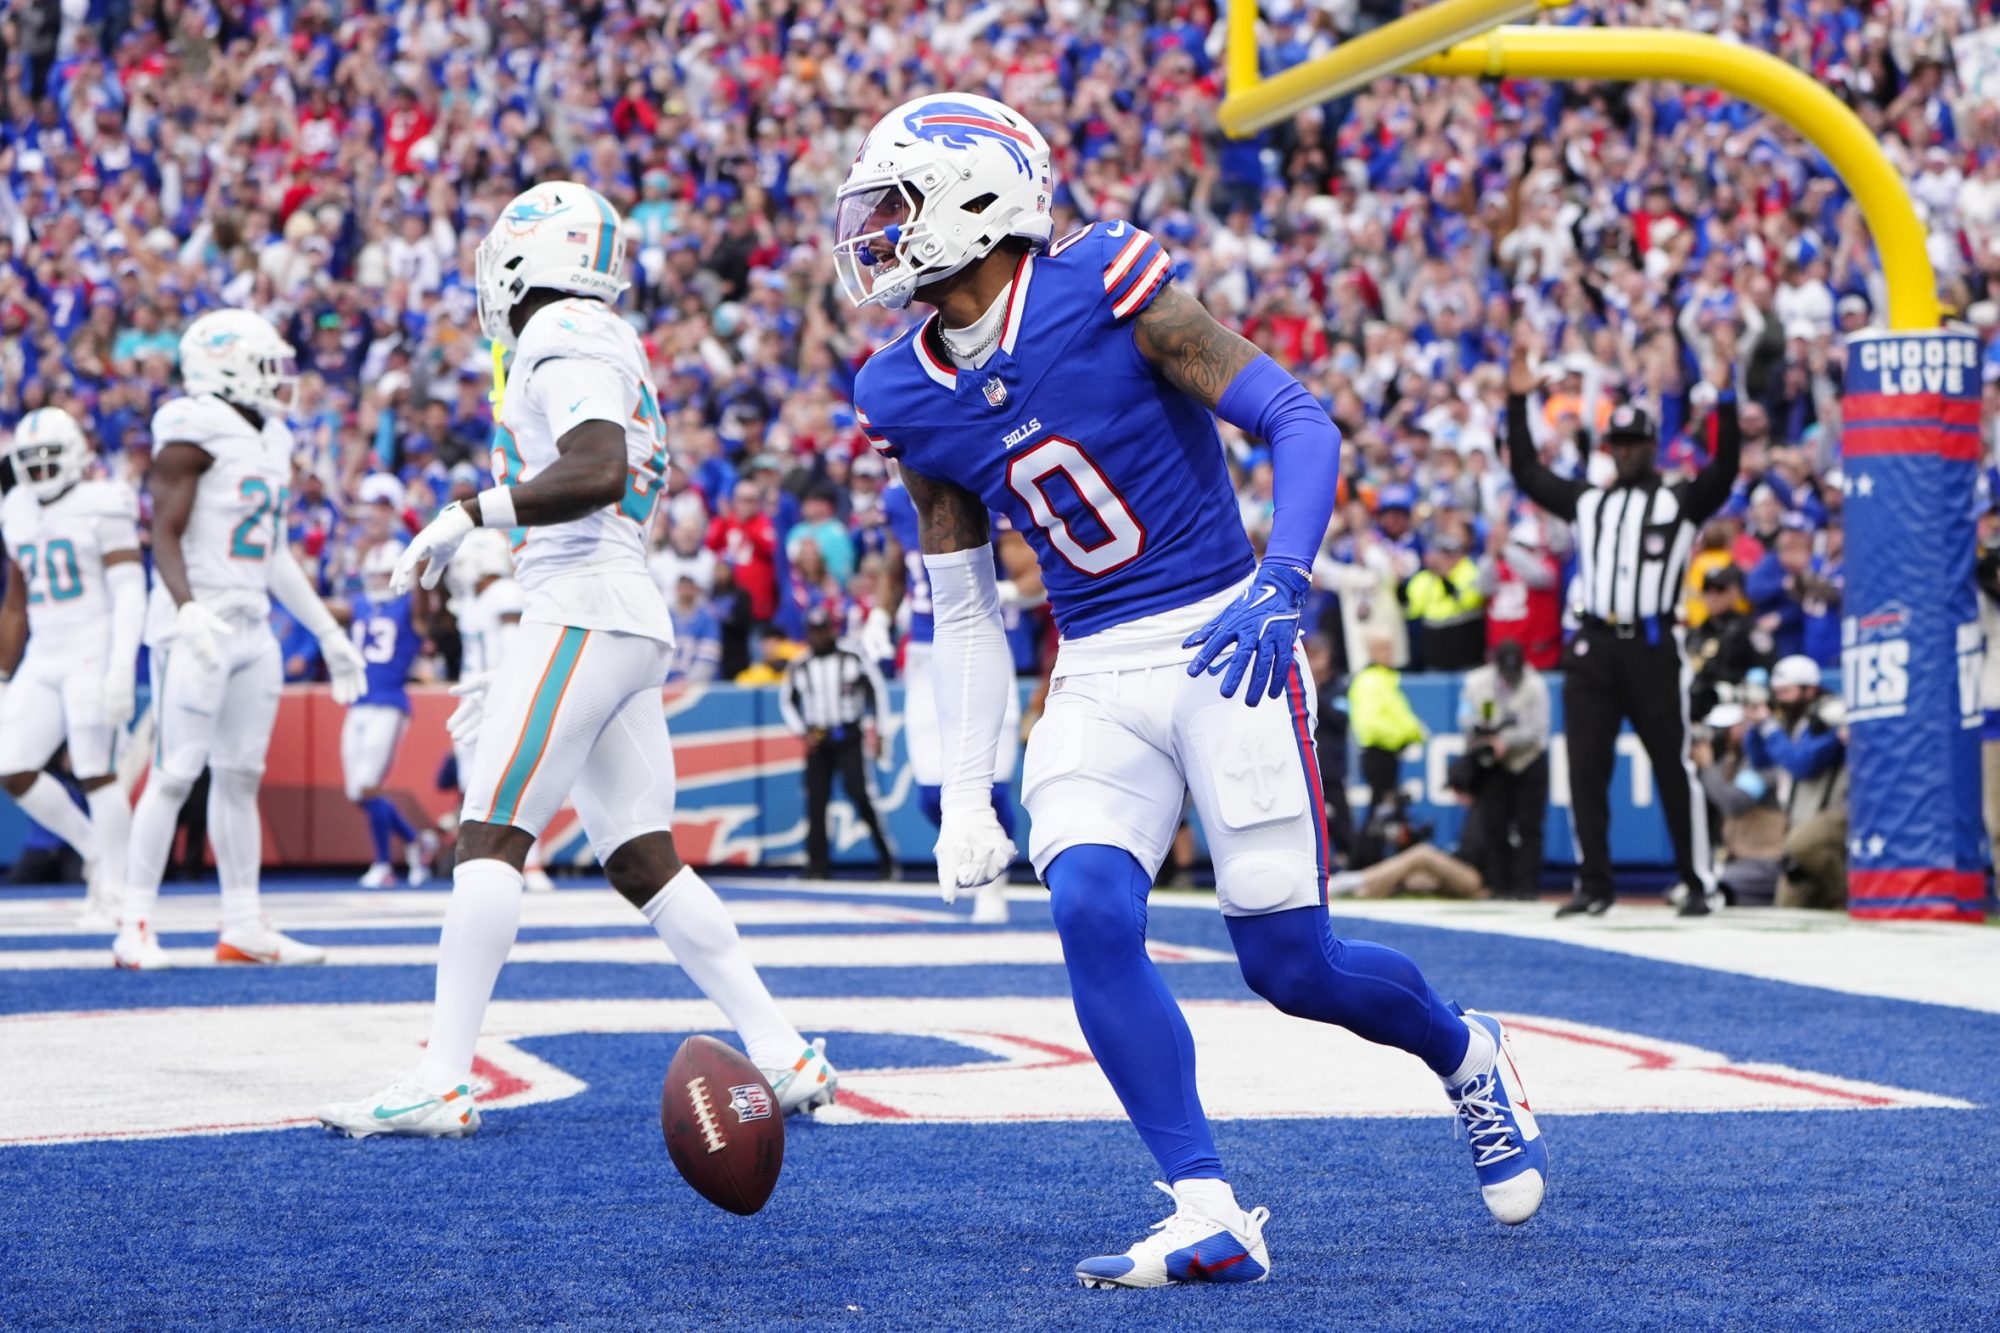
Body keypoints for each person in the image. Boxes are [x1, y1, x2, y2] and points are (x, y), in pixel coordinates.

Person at [839, 93, 1544, 1288]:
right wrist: (964, 788)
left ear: (976, 197)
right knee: (1091, 910)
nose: (872, 232)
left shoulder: (1105, 282)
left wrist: (1280, 579)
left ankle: (1464, 1055)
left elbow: (1294, 419)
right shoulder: (899, 391)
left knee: (1291, 968)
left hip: (1226, 633)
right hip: (1097, 664)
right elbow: (962, 605)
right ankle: (1205, 1202)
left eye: (897, 203)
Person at [319, 182, 833, 1138]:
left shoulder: (559, 335)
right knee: (643, 859)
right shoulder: (598, 335)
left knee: (490, 837)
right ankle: (782, 1049)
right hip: (612, 613)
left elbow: (594, 469)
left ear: (524, 256)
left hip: (586, 604)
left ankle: (439, 1075)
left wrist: (469, 512)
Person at [115, 310, 369, 970]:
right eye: (266, 362)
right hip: (195, 623)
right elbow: (163, 531)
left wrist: (326, 629)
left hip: (254, 625)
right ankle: (133, 922)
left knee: (240, 777)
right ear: (225, 364)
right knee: (174, 773)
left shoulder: (275, 436)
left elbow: (275, 552)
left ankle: (243, 924)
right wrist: (187, 607)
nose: (279, 377)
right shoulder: (192, 423)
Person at [1502, 330, 1739, 919]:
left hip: (1654, 644)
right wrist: (1516, 401)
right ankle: (1595, 883)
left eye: (1636, 442)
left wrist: (1727, 401)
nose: (1627, 451)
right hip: (1594, 646)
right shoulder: (1590, 502)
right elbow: (1528, 473)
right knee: (1586, 767)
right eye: (1619, 442)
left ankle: (1696, 880)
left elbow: (1727, 470)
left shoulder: (1679, 501)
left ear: (1653, 447)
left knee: (1672, 765)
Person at [0, 408, 144, 930]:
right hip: (45, 647)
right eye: (29, 463)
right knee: (11, 765)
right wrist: (3, 672)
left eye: (48, 461)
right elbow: (16, 600)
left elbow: (130, 589)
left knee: (93, 770)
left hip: (93, 642)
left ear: (77, 456)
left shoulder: (103, 502)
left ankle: (116, 889)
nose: (38, 473)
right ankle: (93, 853)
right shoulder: (15, 506)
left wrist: (121, 664)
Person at [879, 474, 1027, 922]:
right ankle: (973, 855)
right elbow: (894, 568)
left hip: (982, 645)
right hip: (925, 657)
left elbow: (1034, 574)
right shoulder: (894, 499)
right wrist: (879, 617)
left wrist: (1007, 591)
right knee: (930, 794)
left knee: (991, 785)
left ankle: (995, 881)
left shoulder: (989, 484)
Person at [340, 539, 436, 889]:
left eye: (386, 574)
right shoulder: (359, 606)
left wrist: (423, 564)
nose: (379, 581)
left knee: (367, 786)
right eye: (375, 575)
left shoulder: (411, 607)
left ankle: (383, 864)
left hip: (390, 704)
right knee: (356, 791)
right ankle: (415, 840)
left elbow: (425, 605)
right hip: (358, 704)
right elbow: (323, 611)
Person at [779, 606, 896, 880]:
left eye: (823, 630)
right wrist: (802, 731)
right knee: (816, 800)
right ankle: (817, 866)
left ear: (832, 630)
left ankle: (886, 858)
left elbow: (876, 691)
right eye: (814, 631)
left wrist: (879, 731)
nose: (818, 637)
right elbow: (786, 702)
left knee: (859, 792)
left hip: (848, 736)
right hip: (817, 740)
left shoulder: (852, 656)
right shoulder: (800, 664)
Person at [1743, 655, 1848, 909]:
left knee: (1803, 845)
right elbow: (1759, 760)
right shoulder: (1788, 721)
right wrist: (1756, 725)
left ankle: (1849, 894)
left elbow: (1802, 764)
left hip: (1830, 819)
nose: (1780, 700)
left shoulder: (1828, 716)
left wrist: (1768, 727)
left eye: (1787, 692)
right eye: (1777, 693)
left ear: (1809, 690)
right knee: (1786, 911)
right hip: (1797, 823)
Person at [1455, 641, 1550, 902]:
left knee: (1529, 826)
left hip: (1527, 760)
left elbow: (1537, 730)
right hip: (1493, 764)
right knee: (1494, 825)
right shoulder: (1476, 683)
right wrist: (1481, 734)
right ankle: (1500, 885)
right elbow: (1463, 714)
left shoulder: (1535, 686)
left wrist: (1504, 741)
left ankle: (1527, 887)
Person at [1348, 631, 1427, 813]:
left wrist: (1413, 732)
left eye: (1391, 648)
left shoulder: (1385, 679)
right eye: (1384, 649)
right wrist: (1402, 736)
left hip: (1389, 753)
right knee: (1380, 809)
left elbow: (1398, 715)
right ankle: (1366, 842)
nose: (1389, 653)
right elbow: (1369, 724)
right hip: (1378, 753)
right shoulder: (1369, 681)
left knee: (1388, 808)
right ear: (1372, 652)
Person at [1685, 565, 1771, 721]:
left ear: (1733, 593)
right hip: (1695, 709)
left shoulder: (1749, 630)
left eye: (1719, 590)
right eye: (1707, 591)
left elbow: (1766, 671)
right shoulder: (1694, 633)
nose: (1713, 597)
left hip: (1734, 709)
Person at [1402, 532, 1485, 671]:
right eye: (1442, 554)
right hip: (1435, 654)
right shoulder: (1423, 578)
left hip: (1466, 653)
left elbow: (1468, 601)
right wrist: (1400, 587)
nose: (1446, 559)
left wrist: (1444, 578)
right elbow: (1412, 610)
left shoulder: (1470, 571)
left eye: (1450, 554)